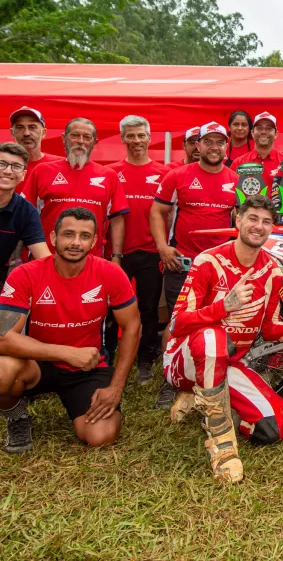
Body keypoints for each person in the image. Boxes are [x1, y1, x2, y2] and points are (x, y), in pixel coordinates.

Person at [163, 195, 283, 483]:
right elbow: (177, 324)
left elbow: (270, 329)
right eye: (252, 218)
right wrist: (223, 307)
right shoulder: (208, 261)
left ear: (272, 228)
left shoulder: (273, 271)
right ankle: (222, 447)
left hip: (229, 364)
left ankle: (209, 401)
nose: (258, 226)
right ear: (237, 220)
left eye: (266, 221)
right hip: (184, 361)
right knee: (213, 338)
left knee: (273, 428)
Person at [0, 208, 141, 453]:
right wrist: (67, 353)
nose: (76, 242)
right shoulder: (25, 274)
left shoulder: (110, 273)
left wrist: (116, 387)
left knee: (101, 437)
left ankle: (79, 401)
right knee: (3, 372)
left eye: (84, 236)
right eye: (68, 234)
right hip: (37, 363)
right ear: (53, 237)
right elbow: (3, 337)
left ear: (94, 242)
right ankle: (17, 416)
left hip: (87, 367)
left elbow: (132, 327)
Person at [150, 121, 239, 408]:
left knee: (219, 323)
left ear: (226, 147)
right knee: (177, 324)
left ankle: (212, 376)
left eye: (220, 142)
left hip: (219, 268)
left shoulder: (235, 179)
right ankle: (170, 380)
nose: (214, 147)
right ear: (197, 145)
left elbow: (240, 221)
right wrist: (163, 248)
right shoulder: (177, 176)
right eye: (208, 142)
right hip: (183, 265)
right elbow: (157, 211)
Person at [109, 116, 170, 385]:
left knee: (149, 309)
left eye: (141, 135)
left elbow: (171, 213)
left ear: (149, 138)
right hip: (117, 253)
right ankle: (109, 356)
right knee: (111, 308)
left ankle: (146, 358)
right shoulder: (111, 172)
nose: (136, 141)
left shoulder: (164, 173)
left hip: (150, 252)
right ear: (122, 139)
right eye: (130, 136)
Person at [22, 117, 129, 260]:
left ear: (95, 142)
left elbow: (117, 220)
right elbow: (24, 215)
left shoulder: (109, 175)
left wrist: (116, 257)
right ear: (64, 138)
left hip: (92, 259)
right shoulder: (42, 171)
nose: (80, 141)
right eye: (75, 135)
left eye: (87, 137)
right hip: (46, 257)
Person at [0, 143, 50, 284]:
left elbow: (43, 258)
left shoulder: (26, 211)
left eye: (16, 166)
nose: (8, 171)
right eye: (2, 164)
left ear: (23, 175)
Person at [9, 106, 63, 194]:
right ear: (12, 133)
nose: (26, 133)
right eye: (20, 127)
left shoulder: (61, 164)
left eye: (32, 127)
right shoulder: (3, 166)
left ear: (44, 132)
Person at [231, 112, 283, 188]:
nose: (263, 132)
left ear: (276, 134)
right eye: (259, 128)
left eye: (268, 128)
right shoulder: (238, 163)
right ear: (252, 133)